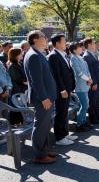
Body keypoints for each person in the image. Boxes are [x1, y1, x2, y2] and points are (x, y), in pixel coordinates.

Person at [23, 30, 57, 164]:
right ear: (35, 39)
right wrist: (44, 98)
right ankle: (40, 155)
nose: (46, 38)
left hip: (47, 96)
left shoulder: (37, 54)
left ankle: (44, 150)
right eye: (43, 36)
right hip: (43, 98)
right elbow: (36, 80)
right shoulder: (33, 56)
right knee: (41, 125)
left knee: (46, 125)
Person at [48, 34, 77, 146]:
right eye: (64, 41)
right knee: (60, 113)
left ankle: (65, 133)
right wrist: (62, 89)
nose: (66, 43)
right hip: (62, 90)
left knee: (64, 112)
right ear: (57, 43)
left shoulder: (63, 54)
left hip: (67, 88)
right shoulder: (53, 56)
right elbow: (56, 75)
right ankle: (59, 137)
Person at [69, 42, 93, 132]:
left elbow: (87, 70)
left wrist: (90, 78)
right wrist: (88, 79)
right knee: (84, 105)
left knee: (86, 104)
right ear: (74, 50)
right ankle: (79, 124)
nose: (81, 48)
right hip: (80, 86)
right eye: (79, 47)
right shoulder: (74, 59)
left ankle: (83, 121)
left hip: (86, 84)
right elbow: (78, 72)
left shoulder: (81, 58)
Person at [83, 38, 99, 124]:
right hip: (94, 82)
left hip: (98, 81)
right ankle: (93, 118)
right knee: (92, 100)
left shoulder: (92, 54)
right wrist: (94, 83)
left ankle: (97, 114)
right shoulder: (86, 56)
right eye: (93, 43)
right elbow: (90, 71)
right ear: (89, 45)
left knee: (96, 99)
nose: (95, 45)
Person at [7, 48, 27, 125]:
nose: (22, 54)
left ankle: (22, 122)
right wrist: (26, 82)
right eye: (20, 53)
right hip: (17, 91)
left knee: (22, 108)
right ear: (16, 55)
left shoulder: (20, 63)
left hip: (22, 89)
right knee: (17, 109)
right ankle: (17, 125)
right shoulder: (12, 66)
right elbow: (17, 78)